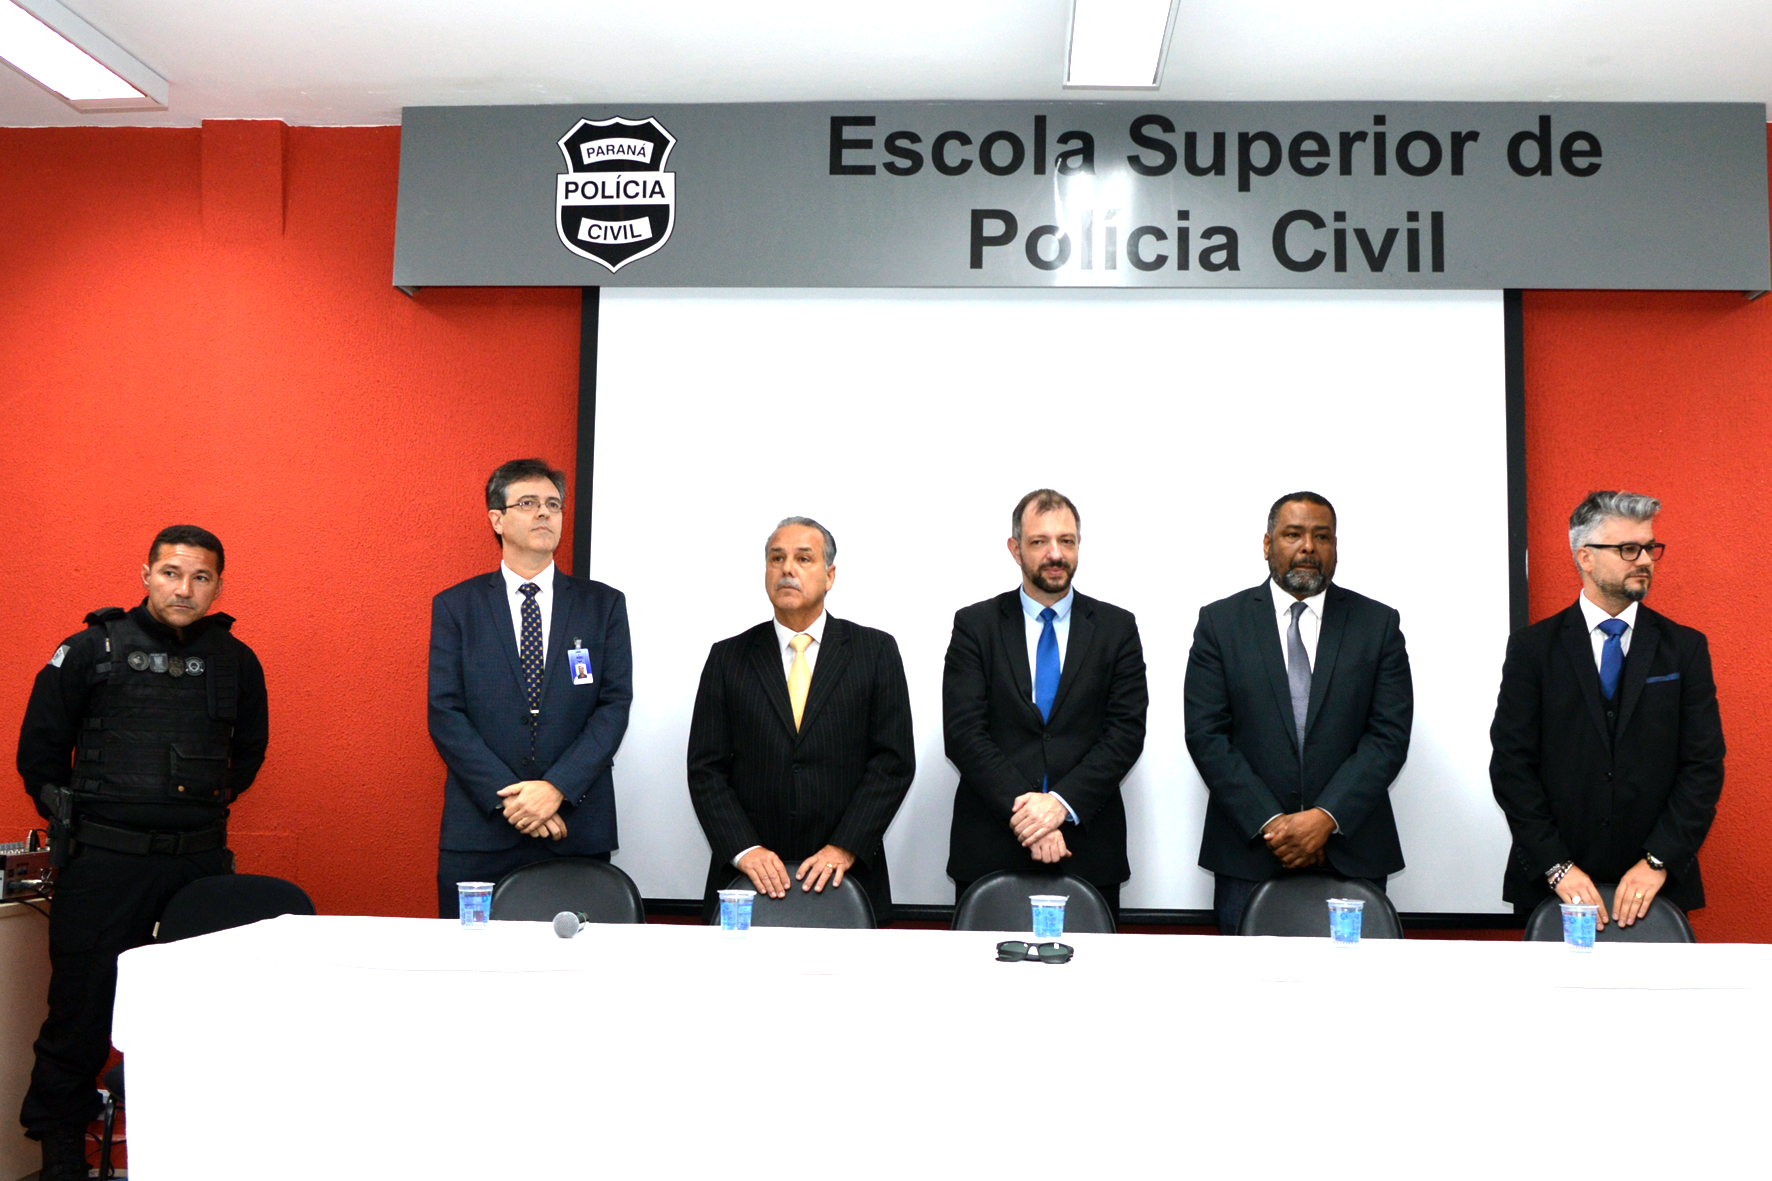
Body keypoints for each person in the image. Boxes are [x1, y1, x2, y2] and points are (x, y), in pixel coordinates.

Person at [16, 525, 268, 1181]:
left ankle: (195, 1156)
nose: (185, 589)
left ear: (218, 586)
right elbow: (38, 756)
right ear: (146, 575)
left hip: (196, 868)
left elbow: (247, 757)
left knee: (201, 1017)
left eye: (201, 577)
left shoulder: (237, 662)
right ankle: (62, 1159)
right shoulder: (89, 649)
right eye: (171, 573)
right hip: (104, 866)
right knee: (79, 1015)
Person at [1490, 491, 1724, 928]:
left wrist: (1657, 861)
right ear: (1585, 557)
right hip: (1553, 884)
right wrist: (1556, 865)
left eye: (1650, 547)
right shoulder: (1532, 649)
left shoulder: (1685, 648)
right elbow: (1511, 765)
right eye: (1628, 549)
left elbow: (1704, 765)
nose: (1645, 560)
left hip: (1656, 887)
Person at [1184, 492, 1413, 935]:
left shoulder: (1378, 624)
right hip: (1249, 855)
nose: (1308, 547)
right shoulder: (1220, 623)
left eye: (1321, 536)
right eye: (1293, 534)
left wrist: (1326, 818)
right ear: (1267, 544)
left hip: (1353, 851)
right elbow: (1206, 735)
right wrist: (1273, 825)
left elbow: (1388, 737)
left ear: (1335, 548)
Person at [428, 458, 633, 917]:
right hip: (481, 831)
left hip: (574, 827)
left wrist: (556, 788)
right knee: (472, 958)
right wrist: (515, 800)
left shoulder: (602, 605)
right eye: (527, 503)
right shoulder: (457, 607)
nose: (544, 513)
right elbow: (445, 713)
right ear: (496, 520)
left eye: (553, 504)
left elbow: (614, 706)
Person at [687, 517, 915, 923]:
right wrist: (745, 850)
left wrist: (844, 847)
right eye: (777, 558)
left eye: (803, 559)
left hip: (848, 876)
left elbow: (893, 763)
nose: (787, 569)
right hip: (748, 878)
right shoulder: (728, 657)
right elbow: (705, 769)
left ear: (830, 576)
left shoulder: (875, 651)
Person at [943, 489, 1148, 915]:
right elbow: (964, 734)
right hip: (990, 846)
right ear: (1015, 548)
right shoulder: (975, 626)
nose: (1055, 553)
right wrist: (1032, 818)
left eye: (1066, 541)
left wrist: (1059, 805)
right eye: (1040, 541)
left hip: (1088, 848)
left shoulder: (1117, 628)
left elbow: (1125, 734)